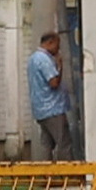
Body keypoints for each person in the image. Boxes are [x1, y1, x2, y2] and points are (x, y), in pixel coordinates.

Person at [28, 29, 77, 160]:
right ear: (50, 43)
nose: (58, 49)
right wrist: (60, 66)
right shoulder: (44, 60)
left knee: (47, 144)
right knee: (64, 143)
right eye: (57, 45)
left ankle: (46, 176)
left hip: (41, 109)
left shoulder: (33, 58)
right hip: (53, 108)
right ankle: (69, 176)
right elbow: (54, 82)